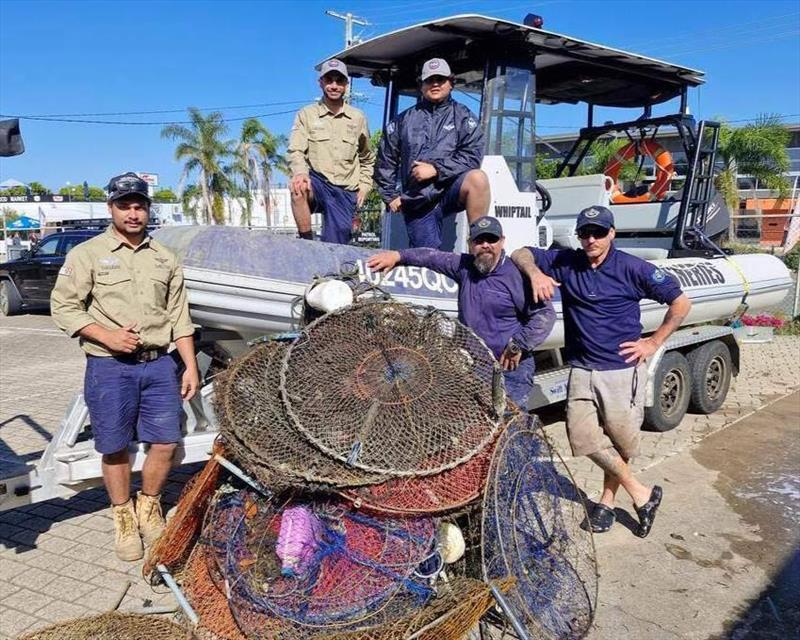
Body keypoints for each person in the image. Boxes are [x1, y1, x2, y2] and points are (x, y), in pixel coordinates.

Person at [511, 205, 692, 538]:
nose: (591, 239)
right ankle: (641, 493)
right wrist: (535, 273)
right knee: (582, 438)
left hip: (621, 371)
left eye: (598, 232)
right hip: (581, 367)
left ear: (612, 233)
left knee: (620, 443)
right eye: (584, 233)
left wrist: (652, 344)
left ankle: (607, 502)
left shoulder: (633, 268)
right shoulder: (567, 262)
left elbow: (681, 303)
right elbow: (520, 252)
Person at [51, 172, 199, 561]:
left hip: (159, 366)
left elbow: (179, 316)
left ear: (148, 209)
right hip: (110, 368)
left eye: (139, 205)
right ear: (111, 208)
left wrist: (190, 366)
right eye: (124, 205)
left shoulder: (165, 258)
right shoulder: (86, 254)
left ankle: (148, 505)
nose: (133, 213)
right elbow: (63, 306)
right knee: (114, 447)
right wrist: (105, 335)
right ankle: (122, 516)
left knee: (166, 443)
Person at [367, 216, 556, 409]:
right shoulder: (464, 266)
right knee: (479, 426)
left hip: (511, 368)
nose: (485, 245)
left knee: (510, 425)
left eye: (491, 240)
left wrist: (518, 345)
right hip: (476, 367)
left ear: (502, 241)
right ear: (470, 244)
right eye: (479, 240)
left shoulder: (515, 275)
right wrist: (397, 256)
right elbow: (431, 257)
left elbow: (545, 315)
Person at [374, 58, 491, 249]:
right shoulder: (403, 120)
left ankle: (478, 243)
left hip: (450, 190)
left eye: (440, 79)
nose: (435, 84)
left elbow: (472, 156)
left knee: (478, 178)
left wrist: (436, 169)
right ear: (421, 85)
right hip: (418, 199)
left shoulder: (464, 116)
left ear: (451, 83)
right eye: (429, 80)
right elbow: (385, 159)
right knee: (427, 258)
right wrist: (390, 195)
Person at [287, 59, 375, 244]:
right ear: (321, 83)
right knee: (298, 188)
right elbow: (296, 150)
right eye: (329, 80)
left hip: (344, 188)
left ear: (346, 85)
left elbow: (367, 157)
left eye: (339, 81)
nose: (334, 86)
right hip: (318, 181)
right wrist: (301, 173)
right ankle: (306, 243)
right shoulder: (306, 114)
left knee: (336, 244)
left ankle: (332, 268)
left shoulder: (358, 118)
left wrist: (365, 186)